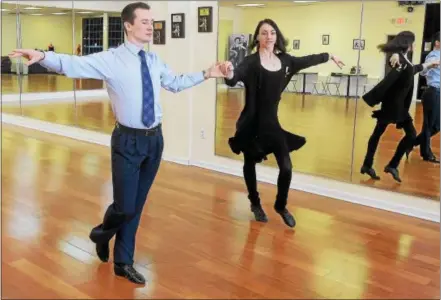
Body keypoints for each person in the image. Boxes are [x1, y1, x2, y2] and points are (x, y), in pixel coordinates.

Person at [9, 2, 227, 285]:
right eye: (145, 21)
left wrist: (208, 73)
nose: (151, 26)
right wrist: (42, 56)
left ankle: (123, 262)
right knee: (124, 206)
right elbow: (73, 64)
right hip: (127, 141)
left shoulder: (153, 60)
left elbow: (175, 83)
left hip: (154, 141)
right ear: (128, 25)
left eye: (152, 22)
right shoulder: (111, 59)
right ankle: (101, 234)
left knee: (136, 205)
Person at [220, 19, 345, 228]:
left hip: (271, 124)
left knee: (286, 167)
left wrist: (329, 56)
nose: (268, 36)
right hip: (251, 124)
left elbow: (308, 60)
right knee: (249, 163)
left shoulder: (286, 61)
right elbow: (235, 77)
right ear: (257, 38)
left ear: (277, 36)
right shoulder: (251, 62)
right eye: (264, 33)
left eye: (272, 33)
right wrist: (228, 71)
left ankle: (280, 205)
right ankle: (255, 202)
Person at [360, 31, 439, 183]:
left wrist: (429, 64)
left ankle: (367, 164)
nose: (415, 45)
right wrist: (394, 55)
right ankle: (392, 165)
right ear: (408, 43)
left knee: (377, 134)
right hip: (395, 107)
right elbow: (393, 72)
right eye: (413, 42)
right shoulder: (399, 59)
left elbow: (412, 70)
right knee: (411, 135)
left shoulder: (406, 60)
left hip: (393, 105)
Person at [406, 31, 440, 163]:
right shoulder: (433, 55)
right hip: (433, 92)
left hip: (437, 93)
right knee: (429, 125)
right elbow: (423, 71)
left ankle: (411, 144)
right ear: (437, 43)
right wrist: (431, 65)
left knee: (436, 126)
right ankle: (426, 154)